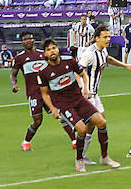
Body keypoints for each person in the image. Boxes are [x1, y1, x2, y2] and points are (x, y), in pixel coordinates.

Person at [36, 38, 116, 172]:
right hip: (64, 105)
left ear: (58, 49)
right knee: (82, 129)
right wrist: (53, 109)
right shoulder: (43, 72)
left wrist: (86, 88)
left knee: (101, 122)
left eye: (54, 48)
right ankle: (79, 160)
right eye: (48, 50)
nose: (52, 51)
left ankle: (104, 157)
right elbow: (44, 94)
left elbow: (83, 73)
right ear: (45, 54)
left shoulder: (69, 61)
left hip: (79, 99)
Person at [76, 25, 131, 164]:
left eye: (109, 37)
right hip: (87, 96)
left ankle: (83, 155)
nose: (108, 39)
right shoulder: (89, 53)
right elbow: (77, 71)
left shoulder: (103, 51)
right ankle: (103, 157)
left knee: (92, 126)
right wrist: (84, 88)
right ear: (97, 38)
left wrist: (125, 65)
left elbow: (108, 59)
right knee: (100, 122)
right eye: (105, 37)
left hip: (95, 95)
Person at [10, 32, 76, 151]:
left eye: (30, 38)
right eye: (25, 39)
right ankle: (26, 141)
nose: (28, 41)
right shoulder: (20, 58)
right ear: (22, 42)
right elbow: (13, 74)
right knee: (37, 121)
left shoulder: (43, 54)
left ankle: (74, 140)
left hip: (48, 91)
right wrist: (14, 85)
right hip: (33, 93)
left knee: (61, 115)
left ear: (34, 40)